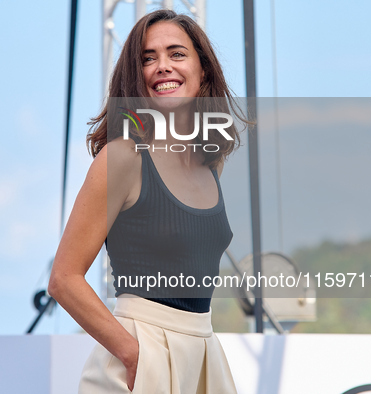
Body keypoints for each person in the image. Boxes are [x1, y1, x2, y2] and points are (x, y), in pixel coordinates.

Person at [48, 9, 245, 394]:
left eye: (176, 53)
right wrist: (132, 352)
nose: (162, 66)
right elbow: (64, 279)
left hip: (204, 351)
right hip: (140, 353)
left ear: (203, 69)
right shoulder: (123, 157)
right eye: (147, 58)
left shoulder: (211, 161)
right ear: (135, 78)